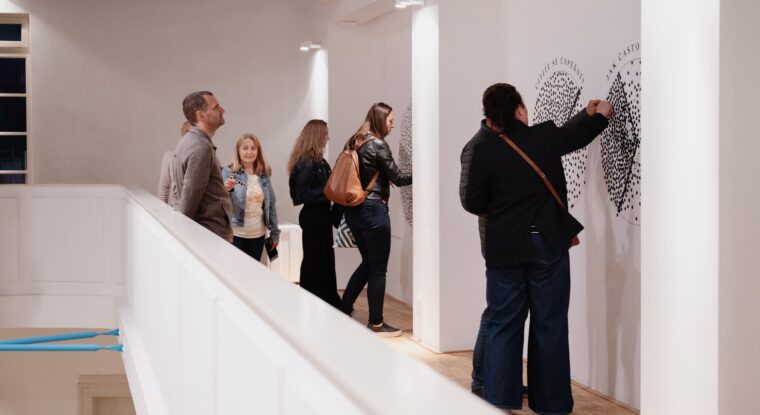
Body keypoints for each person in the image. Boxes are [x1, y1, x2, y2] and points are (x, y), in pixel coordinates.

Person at [462, 83, 612, 414]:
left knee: (503, 321)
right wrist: (600, 116)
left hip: (504, 247)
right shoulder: (544, 136)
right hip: (546, 242)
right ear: (519, 109)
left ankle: (499, 402)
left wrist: (504, 209)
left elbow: (472, 202)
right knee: (550, 322)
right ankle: (551, 404)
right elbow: (577, 136)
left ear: (490, 117)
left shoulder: (484, 151)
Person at [340, 102, 412, 337]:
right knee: (378, 268)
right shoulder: (378, 145)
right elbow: (398, 177)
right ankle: (376, 323)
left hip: (353, 210)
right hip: (373, 210)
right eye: (390, 121)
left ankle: (343, 308)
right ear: (381, 120)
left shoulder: (355, 141)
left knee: (368, 263)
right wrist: (422, 171)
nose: (393, 125)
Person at [288, 119, 342, 308]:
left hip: (320, 216)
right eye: (326, 133)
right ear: (317, 135)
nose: (328, 137)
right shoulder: (308, 162)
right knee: (316, 259)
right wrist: (329, 192)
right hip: (314, 217)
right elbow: (301, 194)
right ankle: (317, 299)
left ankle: (323, 300)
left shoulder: (317, 161)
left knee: (322, 258)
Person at [170, 91, 233, 242]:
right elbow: (188, 203)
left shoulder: (187, 142)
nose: (222, 110)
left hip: (205, 235)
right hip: (209, 236)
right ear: (201, 115)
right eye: (216, 107)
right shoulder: (200, 148)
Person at [221, 133, 280, 261]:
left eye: (253, 148)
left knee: (253, 272)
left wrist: (275, 233)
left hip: (257, 235)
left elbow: (271, 206)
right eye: (245, 148)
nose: (249, 152)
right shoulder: (228, 173)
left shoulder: (263, 176)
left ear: (258, 151)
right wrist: (227, 190)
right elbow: (221, 203)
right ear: (238, 151)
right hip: (235, 235)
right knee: (236, 271)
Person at [158, 121, 191, 205]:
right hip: (173, 209)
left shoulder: (205, 157)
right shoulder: (170, 156)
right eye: (187, 132)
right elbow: (164, 187)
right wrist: (160, 209)